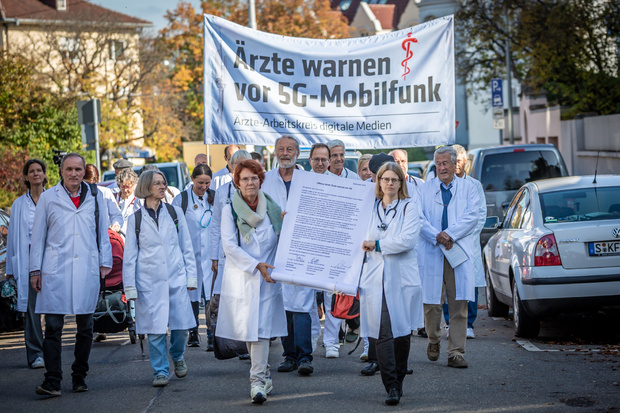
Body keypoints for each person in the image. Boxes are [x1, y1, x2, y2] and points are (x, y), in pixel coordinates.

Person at [29, 153, 112, 397]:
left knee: (85, 326)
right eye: (69, 169)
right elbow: (38, 236)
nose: (74, 174)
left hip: (87, 267)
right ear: (61, 172)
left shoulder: (96, 196)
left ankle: (79, 376)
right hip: (55, 271)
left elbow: (102, 234)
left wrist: (104, 263)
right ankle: (52, 380)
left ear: (84, 171)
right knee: (53, 326)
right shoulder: (48, 198)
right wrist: (35, 270)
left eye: (78, 169)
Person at [216, 159, 287, 404]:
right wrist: (255, 265)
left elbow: (283, 239)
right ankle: (265, 374)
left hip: (268, 278)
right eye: (245, 178)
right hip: (243, 277)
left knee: (260, 332)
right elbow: (229, 246)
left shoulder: (273, 208)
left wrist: (288, 224)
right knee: (249, 331)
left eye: (254, 178)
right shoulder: (230, 209)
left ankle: (256, 382)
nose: (250, 182)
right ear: (237, 182)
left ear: (260, 180)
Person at [123, 170, 198, 387]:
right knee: (155, 330)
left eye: (163, 182)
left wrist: (190, 277)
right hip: (149, 283)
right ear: (146, 187)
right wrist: (130, 288)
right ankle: (160, 371)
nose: (162, 186)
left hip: (175, 279)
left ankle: (177, 355)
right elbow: (130, 258)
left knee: (181, 328)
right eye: (157, 183)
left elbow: (187, 247)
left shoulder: (174, 213)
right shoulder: (135, 219)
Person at [360, 162, 421, 405]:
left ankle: (399, 377)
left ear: (400, 183)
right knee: (383, 332)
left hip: (401, 277)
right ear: (379, 182)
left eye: (394, 180)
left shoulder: (409, 207)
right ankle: (391, 386)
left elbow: (407, 240)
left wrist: (378, 244)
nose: (389, 183)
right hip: (375, 277)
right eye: (385, 179)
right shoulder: (370, 208)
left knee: (402, 334)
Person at [419, 146, 480, 369]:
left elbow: (471, 217)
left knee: (459, 304)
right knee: (432, 303)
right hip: (433, 249)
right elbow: (418, 218)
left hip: (457, 251)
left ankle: (456, 352)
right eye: (438, 164)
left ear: (455, 164)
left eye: (445, 163)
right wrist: (437, 235)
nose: (442, 167)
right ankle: (434, 339)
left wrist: (450, 234)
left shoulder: (469, 188)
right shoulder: (425, 189)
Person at [262, 136, 316, 376]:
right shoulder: (265, 181)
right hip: (274, 247)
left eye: (290, 149)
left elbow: (319, 213)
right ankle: (290, 355)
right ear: (275, 152)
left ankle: (305, 356)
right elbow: (258, 213)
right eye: (281, 149)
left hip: (302, 248)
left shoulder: (310, 181)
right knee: (283, 303)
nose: (285, 153)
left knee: (302, 303)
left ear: (297, 153)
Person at [6, 159, 48, 369]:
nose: (35, 174)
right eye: (31, 171)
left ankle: (51, 351)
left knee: (52, 309)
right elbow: (13, 237)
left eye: (39, 170)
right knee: (31, 310)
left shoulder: (53, 199)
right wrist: (11, 270)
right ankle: (35, 354)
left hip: (50, 259)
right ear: (26, 176)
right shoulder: (18, 204)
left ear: (44, 174)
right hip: (28, 260)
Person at [442, 145, 486, 339]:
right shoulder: (440, 185)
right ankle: (448, 321)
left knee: (469, 283)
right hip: (446, 244)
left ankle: (468, 323)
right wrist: (448, 235)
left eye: (459, 161)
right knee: (446, 286)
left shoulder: (474, 185)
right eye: (454, 161)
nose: (456, 165)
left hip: (466, 243)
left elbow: (480, 216)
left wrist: (458, 235)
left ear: (465, 162)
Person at [173, 164, 215, 348]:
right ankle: (193, 332)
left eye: (207, 183)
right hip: (189, 255)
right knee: (192, 294)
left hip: (211, 255)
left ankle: (212, 333)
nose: (204, 187)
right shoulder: (181, 200)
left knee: (211, 295)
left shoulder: (215, 198)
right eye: (200, 183)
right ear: (192, 179)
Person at [308, 143, 340, 357]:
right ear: (310, 160)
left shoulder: (339, 185)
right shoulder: (301, 181)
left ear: (329, 161)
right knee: (308, 297)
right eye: (316, 159)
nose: (320, 163)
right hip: (307, 247)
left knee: (331, 297)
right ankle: (310, 338)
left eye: (323, 159)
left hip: (331, 247)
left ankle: (331, 341)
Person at [84, 164, 123, 233]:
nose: (91, 186)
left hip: (105, 234)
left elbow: (116, 214)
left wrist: (116, 225)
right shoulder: (77, 194)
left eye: (94, 183)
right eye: (87, 183)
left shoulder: (105, 193)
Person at [114, 168, 141, 234]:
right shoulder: (114, 198)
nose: (125, 190)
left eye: (128, 187)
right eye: (122, 187)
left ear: (134, 185)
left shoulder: (139, 200)